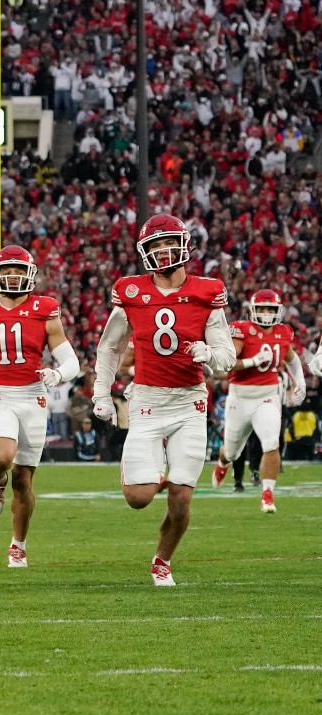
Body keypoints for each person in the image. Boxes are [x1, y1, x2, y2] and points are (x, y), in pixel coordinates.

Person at [92, 213, 236, 586]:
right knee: (138, 497)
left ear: (184, 246)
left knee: (182, 498)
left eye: (167, 243)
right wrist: (101, 392)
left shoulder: (207, 291)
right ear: (143, 251)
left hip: (190, 402)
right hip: (148, 400)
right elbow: (110, 347)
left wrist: (208, 353)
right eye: (153, 245)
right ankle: (153, 470)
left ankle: (162, 561)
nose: (161, 251)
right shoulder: (130, 290)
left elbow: (226, 358)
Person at [0, 245, 79, 569]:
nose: (13, 275)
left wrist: (58, 372)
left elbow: (70, 361)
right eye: (7, 269)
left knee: (24, 481)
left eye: (19, 270)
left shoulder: (45, 309)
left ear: (30, 274)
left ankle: (18, 545)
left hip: (34, 397)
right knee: (1, 458)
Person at [210, 289, 303, 514]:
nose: (265, 313)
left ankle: (267, 494)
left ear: (277, 311)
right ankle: (223, 463)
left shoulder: (283, 332)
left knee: (271, 443)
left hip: (268, 396)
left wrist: (300, 382)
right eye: (261, 308)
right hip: (240, 396)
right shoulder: (242, 330)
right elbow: (226, 365)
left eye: (270, 309)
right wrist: (252, 361)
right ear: (253, 310)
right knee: (232, 451)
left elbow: (292, 359)